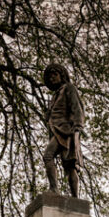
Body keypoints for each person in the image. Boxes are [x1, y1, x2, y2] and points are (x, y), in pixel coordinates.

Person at [42, 63, 84, 197]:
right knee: (68, 165)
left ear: (62, 75)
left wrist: (77, 128)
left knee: (50, 156)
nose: (52, 78)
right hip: (56, 131)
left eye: (55, 75)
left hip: (66, 131)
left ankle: (56, 190)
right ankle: (74, 197)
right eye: (49, 76)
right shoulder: (55, 95)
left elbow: (77, 108)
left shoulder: (69, 88)